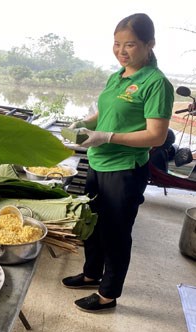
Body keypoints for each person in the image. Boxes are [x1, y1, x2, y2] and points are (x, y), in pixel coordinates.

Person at [61, 13, 174, 312]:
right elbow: (104, 111)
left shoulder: (156, 83)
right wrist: (85, 122)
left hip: (124, 170)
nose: (122, 51)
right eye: (117, 44)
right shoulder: (118, 75)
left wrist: (108, 136)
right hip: (98, 163)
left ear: (150, 44)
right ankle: (90, 274)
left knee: (116, 232)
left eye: (131, 45)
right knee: (93, 225)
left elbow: (156, 135)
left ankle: (108, 294)